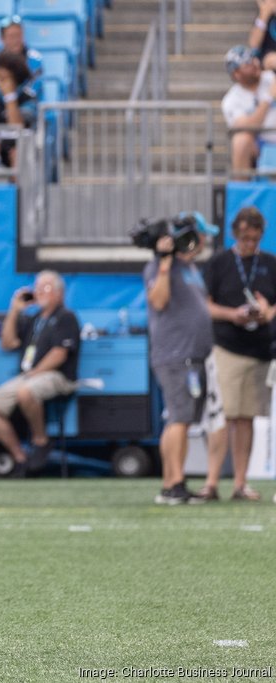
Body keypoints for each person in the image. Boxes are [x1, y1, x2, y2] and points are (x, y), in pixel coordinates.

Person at [144, 216, 220, 504]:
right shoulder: (160, 267)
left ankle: (170, 482)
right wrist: (164, 263)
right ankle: (175, 482)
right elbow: (159, 301)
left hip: (192, 354)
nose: (203, 242)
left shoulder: (188, 267)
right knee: (180, 418)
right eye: (201, 236)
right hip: (176, 355)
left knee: (180, 420)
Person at [0, 270, 80, 477]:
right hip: (29, 377)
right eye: (37, 288)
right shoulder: (33, 319)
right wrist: (15, 310)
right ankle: (21, 458)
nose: (40, 292)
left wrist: (35, 373)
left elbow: (60, 354)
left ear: (60, 293)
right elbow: (7, 343)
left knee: (25, 392)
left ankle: (41, 441)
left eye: (46, 288)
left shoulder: (66, 317)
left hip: (57, 376)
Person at [202, 206, 275, 501]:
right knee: (222, 417)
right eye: (244, 238)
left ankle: (240, 484)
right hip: (227, 348)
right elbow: (204, 305)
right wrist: (233, 314)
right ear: (235, 234)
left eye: (254, 239)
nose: (249, 244)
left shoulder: (270, 263)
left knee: (246, 418)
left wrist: (267, 312)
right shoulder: (219, 262)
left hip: (260, 351)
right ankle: (211, 482)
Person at [221, 45, 276, 175]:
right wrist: (268, 98)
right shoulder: (231, 100)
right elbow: (250, 126)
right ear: (237, 74)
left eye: (253, 59)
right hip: (259, 144)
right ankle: (242, 192)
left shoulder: (270, 77)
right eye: (247, 64)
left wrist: (271, 60)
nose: (254, 64)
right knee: (241, 140)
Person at [0, 16, 43, 96]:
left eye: (19, 35)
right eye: (11, 36)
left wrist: (12, 97)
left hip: (25, 104)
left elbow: (33, 88)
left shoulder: (35, 59)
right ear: (2, 38)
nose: (16, 40)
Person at [248, 0, 276, 71]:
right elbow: (254, 44)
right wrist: (264, 15)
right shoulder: (265, 15)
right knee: (271, 60)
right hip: (267, 61)